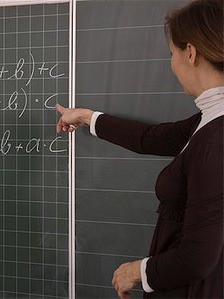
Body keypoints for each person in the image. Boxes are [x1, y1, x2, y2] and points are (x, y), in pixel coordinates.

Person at [56, 0, 223, 298]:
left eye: (172, 53)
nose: (171, 64)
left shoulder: (216, 138)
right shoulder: (208, 120)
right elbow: (151, 137)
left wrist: (138, 271)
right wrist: (86, 117)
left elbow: (199, 256)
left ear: (191, 53)